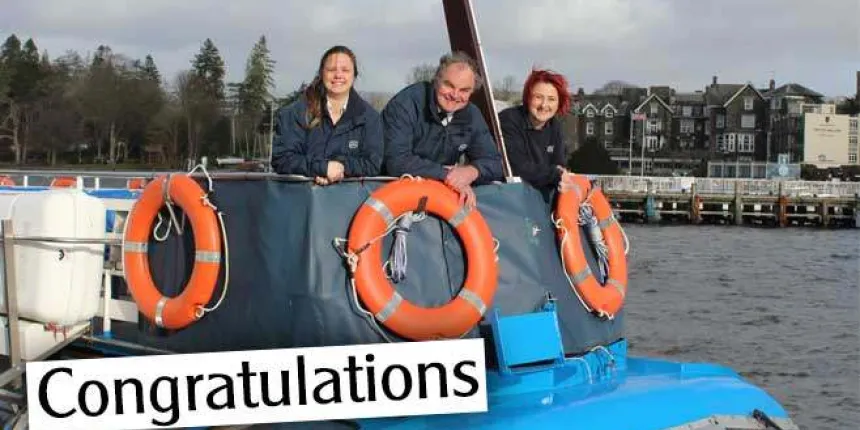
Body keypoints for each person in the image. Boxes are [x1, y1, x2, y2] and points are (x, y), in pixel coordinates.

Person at [381, 51, 504, 208]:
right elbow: (396, 161)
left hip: (439, 198)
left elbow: (493, 162)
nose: (455, 95)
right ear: (436, 80)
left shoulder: (472, 115)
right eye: (449, 85)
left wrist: (471, 172)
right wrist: (447, 176)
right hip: (390, 192)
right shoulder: (406, 104)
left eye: (464, 90)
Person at [271, 45, 383, 185]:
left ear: (354, 75)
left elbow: (373, 164)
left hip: (351, 202)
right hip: (302, 200)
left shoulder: (370, 119)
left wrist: (341, 167)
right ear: (321, 73)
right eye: (331, 70)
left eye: (345, 70)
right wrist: (322, 168)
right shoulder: (295, 113)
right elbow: (282, 158)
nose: (338, 75)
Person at [499, 68, 572, 202]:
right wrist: (554, 174)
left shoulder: (554, 126)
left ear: (559, 103)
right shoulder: (509, 120)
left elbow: (559, 165)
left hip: (538, 200)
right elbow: (518, 167)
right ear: (528, 97)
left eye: (551, 99)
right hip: (509, 198)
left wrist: (559, 176)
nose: (544, 105)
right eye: (538, 97)